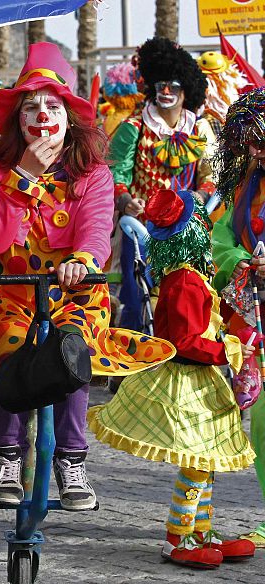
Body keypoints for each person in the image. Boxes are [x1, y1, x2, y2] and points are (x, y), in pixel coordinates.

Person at [0, 42, 175, 512]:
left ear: (70, 115)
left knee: (71, 352)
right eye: (32, 105)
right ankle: (5, 456)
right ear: (17, 118)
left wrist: (84, 261)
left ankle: (72, 459)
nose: (43, 114)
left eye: (53, 105)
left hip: (76, 292)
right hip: (10, 294)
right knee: (9, 344)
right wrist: (23, 175)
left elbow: (93, 232)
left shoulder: (93, 174)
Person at [89, 188, 257, 568]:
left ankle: (201, 531)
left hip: (201, 377)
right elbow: (183, 341)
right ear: (192, 231)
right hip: (185, 379)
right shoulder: (183, 280)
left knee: (205, 461)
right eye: (202, 221)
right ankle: (176, 537)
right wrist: (227, 350)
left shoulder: (192, 275)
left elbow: (205, 320)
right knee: (198, 460)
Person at [109, 37, 215, 331]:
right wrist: (125, 200)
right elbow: (116, 174)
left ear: (187, 91)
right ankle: (136, 361)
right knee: (138, 299)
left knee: (187, 301)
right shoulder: (133, 128)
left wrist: (201, 195)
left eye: (174, 86)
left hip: (187, 231)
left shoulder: (199, 128)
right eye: (160, 86)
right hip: (142, 231)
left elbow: (210, 175)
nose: (166, 92)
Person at [209, 87, 265, 547]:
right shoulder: (246, 187)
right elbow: (220, 240)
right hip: (257, 313)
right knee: (264, 421)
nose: (256, 149)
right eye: (250, 141)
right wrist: (243, 261)